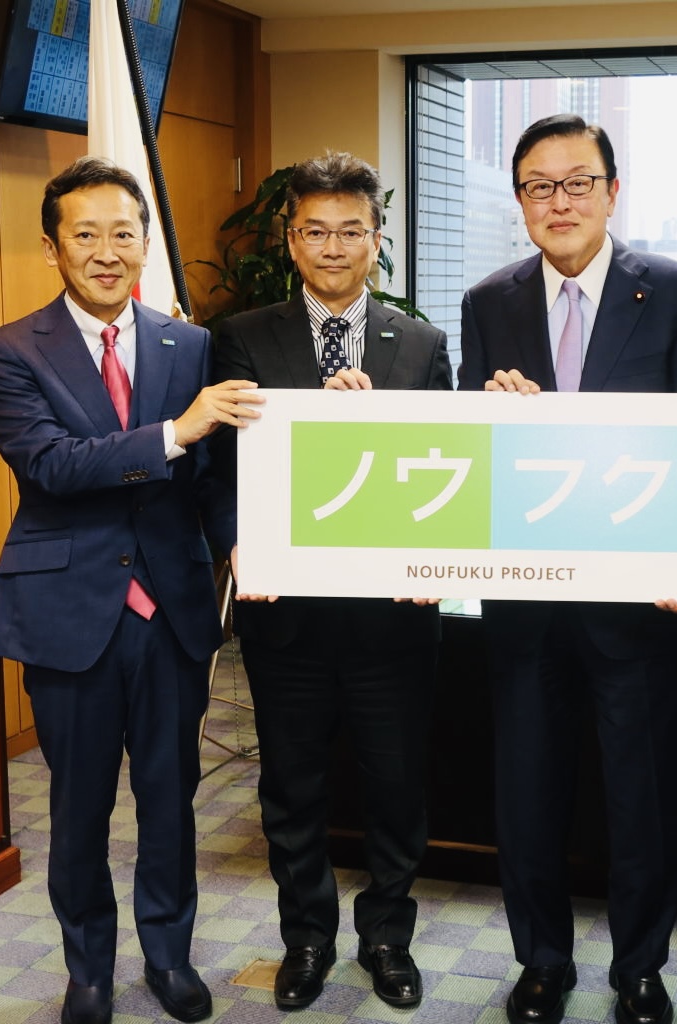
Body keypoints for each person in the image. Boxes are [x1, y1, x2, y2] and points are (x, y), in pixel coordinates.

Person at [0, 155, 264, 1024]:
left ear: (145, 243)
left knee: (171, 801)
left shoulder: (191, 345)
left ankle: (169, 957)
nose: (108, 252)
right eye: (86, 235)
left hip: (171, 611)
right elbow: (52, 466)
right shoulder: (9, 350)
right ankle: (90, 971)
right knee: (78, 807)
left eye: (124, 234)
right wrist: (176, 430)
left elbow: (210, 476)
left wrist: (239, 542)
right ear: (52, 247)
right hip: (69, 614)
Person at [458, 113, 677, 1024]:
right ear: (520, 201)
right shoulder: (489, 302)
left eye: (578, 182)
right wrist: (493, 415)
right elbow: (472, 456)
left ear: (613, 192)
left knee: (643, 797)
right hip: (528, 604)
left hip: (645, 605)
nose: (560, 201)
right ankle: (542, 961)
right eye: (539, 186)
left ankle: (640, 968)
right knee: (528, 795)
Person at [212, 150, 452, 1011]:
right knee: (292, 788)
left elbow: (445, 468)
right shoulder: (242, 336)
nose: (334, 247)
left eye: (351, 230)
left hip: (393, 616)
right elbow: (218, 466)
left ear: (376, 239)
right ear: (291, 239)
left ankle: (388, 937)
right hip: (288, 614)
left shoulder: (420, 344)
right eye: (315, 231)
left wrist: (437, 557)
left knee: (396, 788)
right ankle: (306, 939)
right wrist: (235, 544)